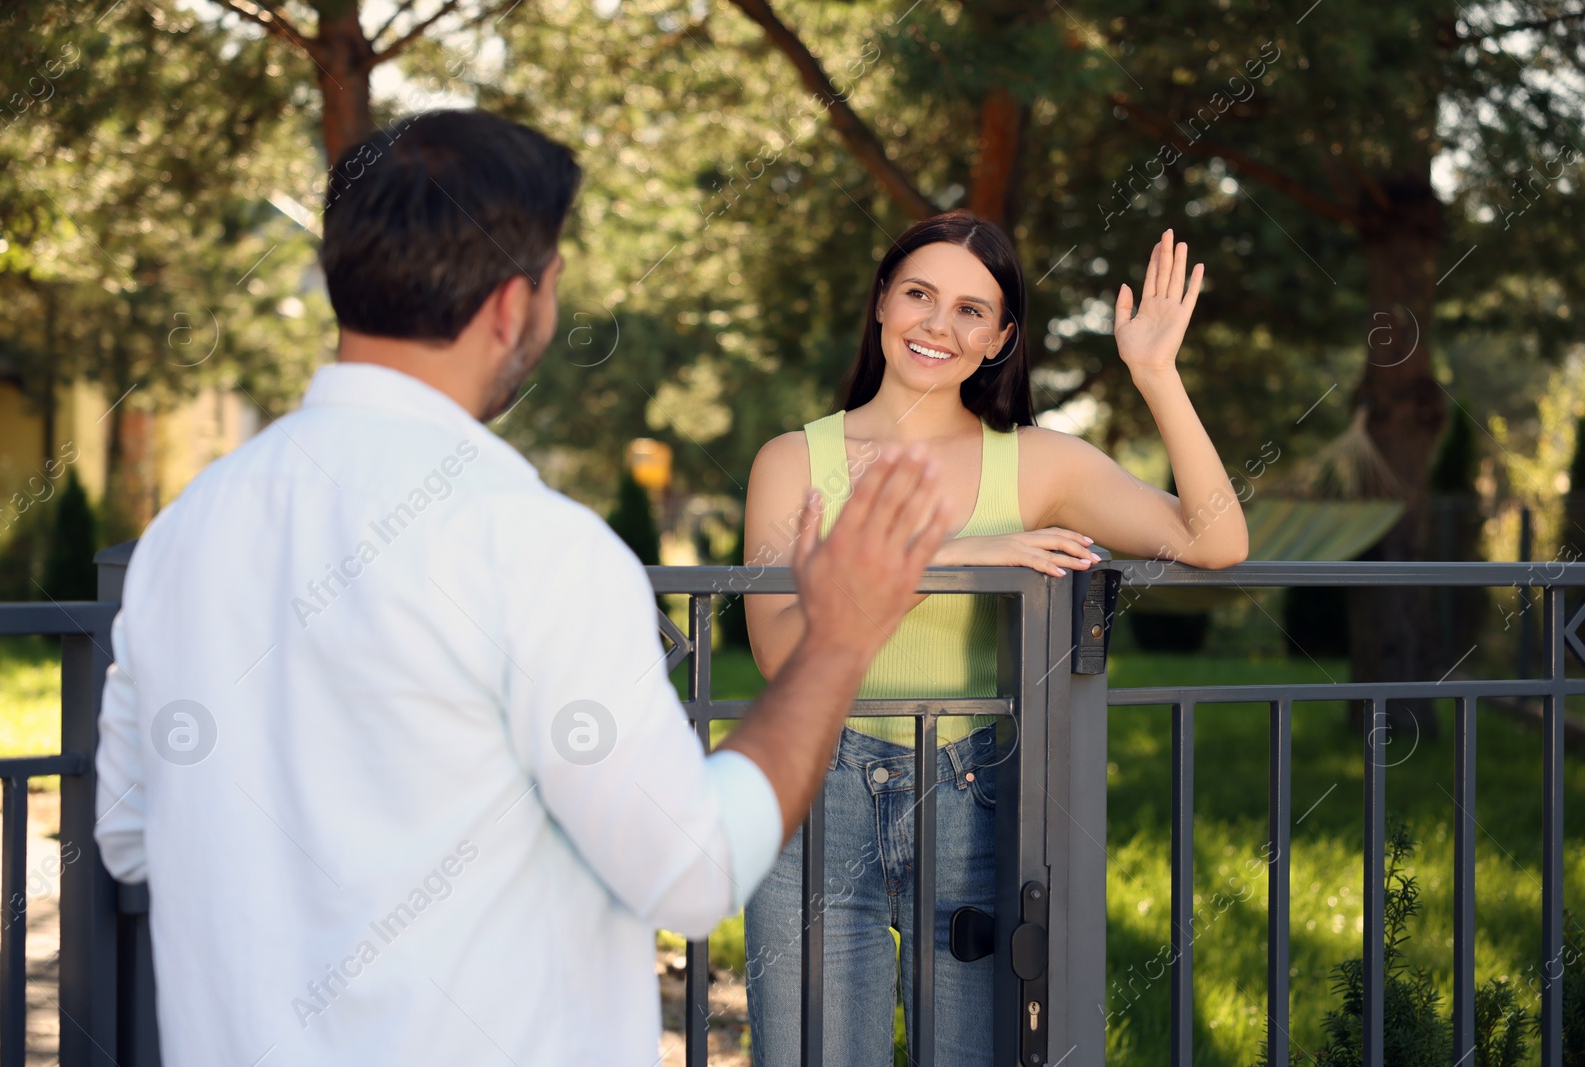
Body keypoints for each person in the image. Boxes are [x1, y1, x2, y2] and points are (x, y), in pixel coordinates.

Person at [91, 109, 955, 1066]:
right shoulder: (534, 546)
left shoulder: (181, 536)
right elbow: (692, 866)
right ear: (514, 305)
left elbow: (132, 835)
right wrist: (838, 637)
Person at [742, 210, 1249, 1064]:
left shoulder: (1039, 463)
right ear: (881, 304)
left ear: (1001, 338)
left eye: (972, 310)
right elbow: (776, 652)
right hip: (808, 791)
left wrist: (1156, 374)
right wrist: (960, 554)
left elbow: (1216, 540)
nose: (940, 324)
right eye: (920, 294)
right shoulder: (791, 461)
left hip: (970, 799)